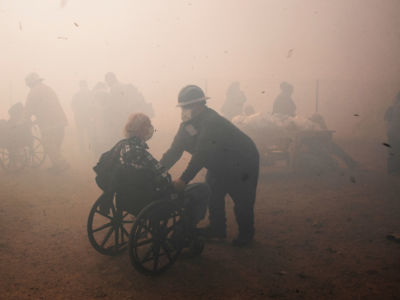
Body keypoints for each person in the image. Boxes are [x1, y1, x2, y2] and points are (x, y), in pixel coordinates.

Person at [160, 85, 260, 246]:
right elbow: (174, 151)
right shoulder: (186, 125)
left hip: (243, 161)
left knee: (242, 198)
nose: (184, 110)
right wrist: (157, 170)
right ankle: (217, 229)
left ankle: (246, 235)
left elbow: (201, 155)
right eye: (182, 107)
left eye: (187, 106)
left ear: (199, 105)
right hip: (218, 163)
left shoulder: (211, 121)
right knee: (213, 192)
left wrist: (183, 180)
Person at [94, 113, 209, 227]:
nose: (150, 129)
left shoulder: (120, 146)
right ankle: (183, 231)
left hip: (127, 199)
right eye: (147, 126)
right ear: (141, 129)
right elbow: (163, 177)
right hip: (150, 200)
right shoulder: (141, 153)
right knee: (202, 188)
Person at [24, 73, 69, 172]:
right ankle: (57, 165)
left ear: (30, 84)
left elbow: (28, 110)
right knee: (56, 144)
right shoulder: (48, 88)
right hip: (60, 120)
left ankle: (61, 164)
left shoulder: (33, 92)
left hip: (48, 123)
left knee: (48, 144)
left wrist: (25, 120)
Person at [71, 80, 93, 152]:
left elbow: (72, 105)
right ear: (86, 85)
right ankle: (92, 148)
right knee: (90, 133)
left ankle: (83, 150)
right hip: (89, 116)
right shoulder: (91, 93)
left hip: (79, 117)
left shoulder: (76, 94)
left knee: (81, 135)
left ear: (80, 86)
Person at [384, 92, 400, 175]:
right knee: (396, 151)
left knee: (393, 151)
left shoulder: (392, 107)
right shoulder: (395, 108)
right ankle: (394, 170)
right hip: (396, 132)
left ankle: (392, 170)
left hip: (391, 132)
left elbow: (386, 119)